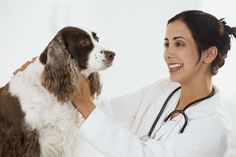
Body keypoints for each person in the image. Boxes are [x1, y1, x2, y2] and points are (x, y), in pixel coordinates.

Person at [15, 10, 236, 157]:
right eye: (166, 43)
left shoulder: (213, 129)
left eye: (179, 44)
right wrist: (39, 80)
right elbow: (105, 112)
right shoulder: (164, 90)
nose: (168, 53)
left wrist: (84, 103)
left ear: (209, 54)